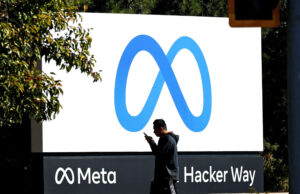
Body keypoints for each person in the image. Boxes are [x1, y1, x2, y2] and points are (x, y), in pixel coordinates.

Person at [144, 119, 179, 194]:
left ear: (161, 129)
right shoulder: (164, 139)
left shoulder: (168, 140)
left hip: (167, 178)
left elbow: (158, 153)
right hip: (160, 178)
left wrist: (151, 141)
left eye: (155, 129)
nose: (154, 132)